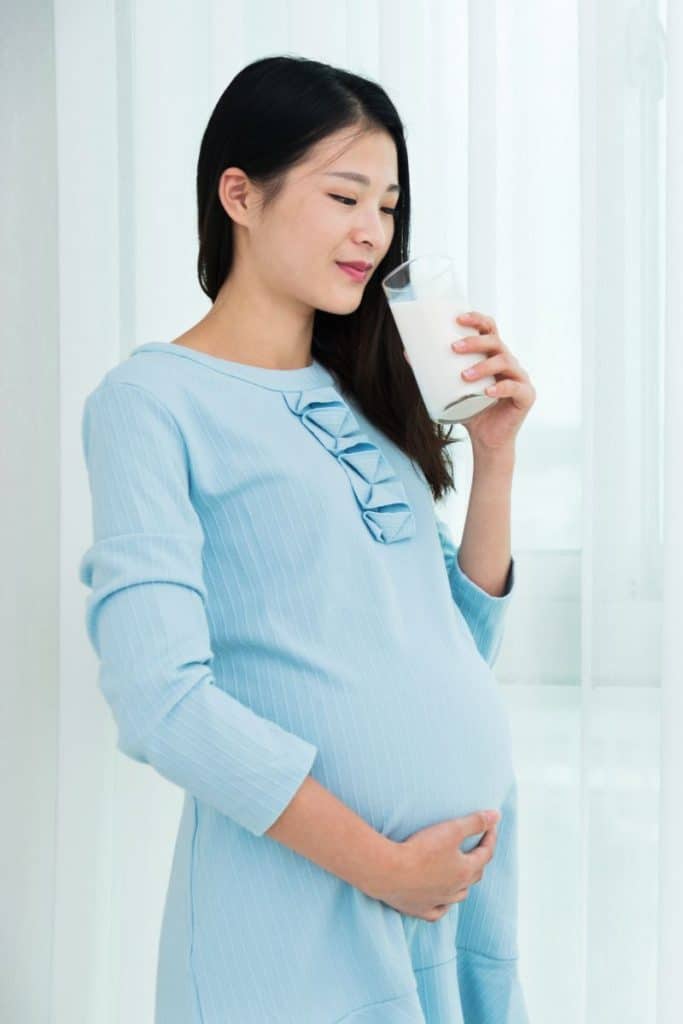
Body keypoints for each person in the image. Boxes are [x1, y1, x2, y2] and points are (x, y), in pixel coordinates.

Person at [78, 55, 532, 1023]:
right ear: (238, 194)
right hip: (299, 918)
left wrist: (492, 462)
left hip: (446, 909)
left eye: (388, 204)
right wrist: (384, 866)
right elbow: (160, 696)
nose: (372, 231)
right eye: (343, 196)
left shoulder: (366, 395)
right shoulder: (150, 401)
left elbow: (455, 647)